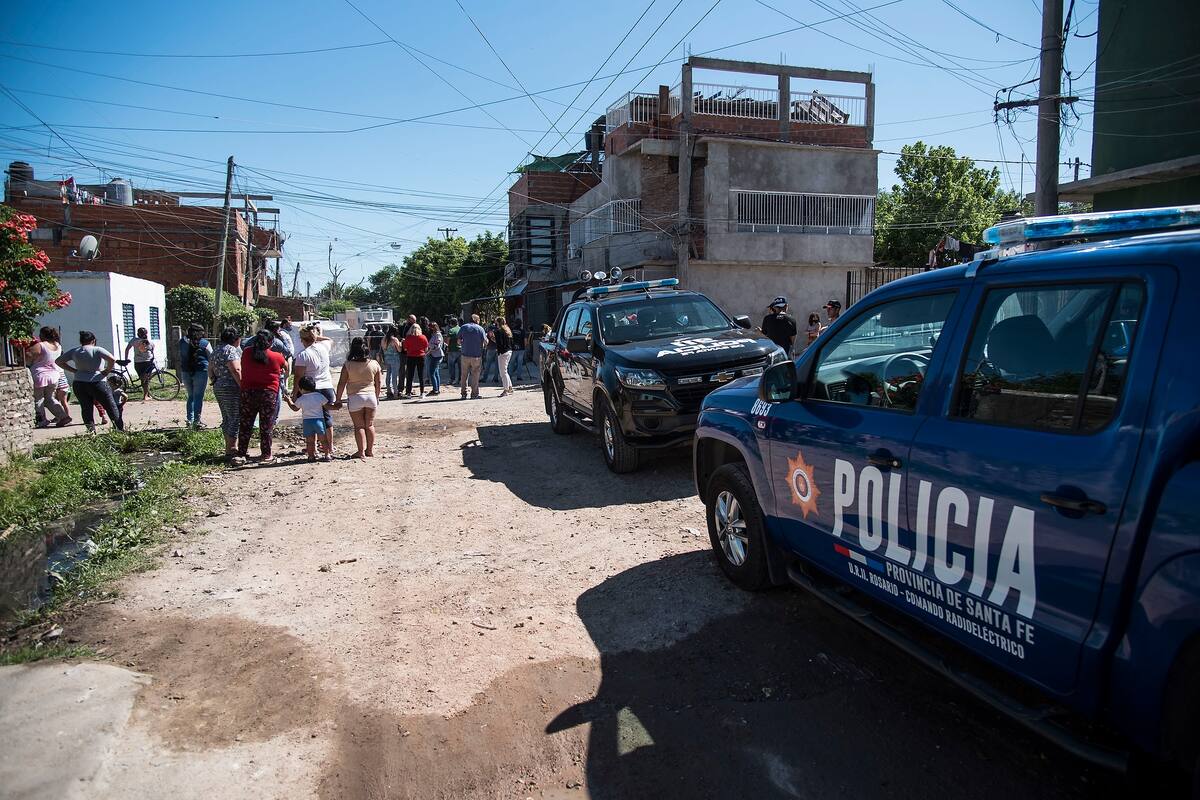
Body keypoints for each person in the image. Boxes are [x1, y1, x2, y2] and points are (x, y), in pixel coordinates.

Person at [56, 330, 123, 432]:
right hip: (98, 381)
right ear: (93, 340)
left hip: (79, 382)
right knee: (110, 406)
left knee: (86, 408)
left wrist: (74, 370)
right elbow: (112, 359)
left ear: (81, 341)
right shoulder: (97, 349)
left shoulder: (75, 351)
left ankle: (91, 431)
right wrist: (106, 371)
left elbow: (58, 361)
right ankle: (119, 428)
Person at [236, 330, 286, 465]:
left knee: (246, 424)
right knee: (266, 425)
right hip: (268, 394)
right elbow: (285, 367)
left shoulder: (246, 352)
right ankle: (266, 455)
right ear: (271, 342)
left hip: (248, 393)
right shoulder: (277, 356)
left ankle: (241, 453)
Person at [293, 324, 336, 458]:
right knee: (327, 418)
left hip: (311, 388)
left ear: (302, 340)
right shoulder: (324, 347)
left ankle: (314, 448)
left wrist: (295, 393)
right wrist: (317, 337)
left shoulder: (303, 355)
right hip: (327, 386)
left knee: (312, 416)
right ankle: (329, 446)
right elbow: (330, 340)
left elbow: (298, 376)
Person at [334, 337, 382, 458]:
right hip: (370, 396)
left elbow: (341, 383)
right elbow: (378, 382)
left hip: (355, 397)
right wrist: (377, 396)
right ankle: (369, 450)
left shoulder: (348, 365)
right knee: (369, 425)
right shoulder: (374, 364)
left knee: (359, 426)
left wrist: (338, 399)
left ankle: (360, 452)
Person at [209, 328, 243, 458]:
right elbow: (236, 370)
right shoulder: (230, 350)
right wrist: (243, 386)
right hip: (231, 387)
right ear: (236, 339)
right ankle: (232, 449)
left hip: (219, 386)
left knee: (227, 417)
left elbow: (210, 368)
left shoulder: (216, 349)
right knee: (235, 417)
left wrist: (214, 380)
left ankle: (228, 446)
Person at [26, 327, 70, 427]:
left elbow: (28, 355)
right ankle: (63, 416)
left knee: (39, 399)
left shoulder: (41, 345)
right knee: (50, 398)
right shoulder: (57, 346)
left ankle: (41, 420)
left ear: (42, 335)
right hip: (54, 375)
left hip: (40, 375)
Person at [287, 375, 334, 462]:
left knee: (309, 441)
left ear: (301, 389)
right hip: (319, 421)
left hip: (307, 422)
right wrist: (337, 406)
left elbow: (294, 408)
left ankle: (311, 456)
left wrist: (288, 401)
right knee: (323, 440)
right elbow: (328, 406)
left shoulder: (301, 398)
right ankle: (327, 455)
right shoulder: (319, 396)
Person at [179, 324, 212, 428]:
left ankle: (189, 419)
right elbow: (211, 357)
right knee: (198, 396)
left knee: (191, 396)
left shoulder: (182, 342)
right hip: (201, 371)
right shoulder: (205, 343)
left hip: (185, 371)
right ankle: (197, 421)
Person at [457, 314, 487, 400]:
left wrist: (464, 344)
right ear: (477, 320)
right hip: (476, 355)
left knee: (464, 375)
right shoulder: (480, 328)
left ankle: (463, 394)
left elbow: (458, 341)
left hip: (465, 354)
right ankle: (474, 394)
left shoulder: (463, 327)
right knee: (475, 375)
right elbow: (485, 342)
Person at [123, 326, 156, 401]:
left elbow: (127, 349)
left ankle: (147, 394)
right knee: (146, 379)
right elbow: (152, 350)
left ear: (138, 334)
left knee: (143, 378)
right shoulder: (149, 342)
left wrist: (126, 359)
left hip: (137, 362)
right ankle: (145, 396)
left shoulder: (134, 341)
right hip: (147, 362)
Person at [402, 323, 428, 397]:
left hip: (411, 357)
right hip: (421, 356)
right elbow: (426, 349)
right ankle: (422, 393)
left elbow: (405, 349)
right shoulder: (423, 337)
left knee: (410, 375)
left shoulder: (408, 338)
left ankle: (408, 393)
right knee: (421, 375)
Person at [381, 324, 404, 399]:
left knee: (388, 375)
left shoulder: (383, 339)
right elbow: (399, 350)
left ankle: (389, 391)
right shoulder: (394, 339)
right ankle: (396, 393)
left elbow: (383, 349)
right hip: (395, 358)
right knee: (394, 376)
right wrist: (401, 343)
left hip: (387, 358)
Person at [495, 318, 514, 396]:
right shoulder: (507, 330)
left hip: (503, 352)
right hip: (509, 351)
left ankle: (506, 390)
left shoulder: (499, 331)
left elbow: (499, 343)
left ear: (498, 323)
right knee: (505, 371)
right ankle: (510, 387)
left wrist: (493, 338)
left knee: (503, 372)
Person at [426, 322, 445, 396]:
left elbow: (437, 345)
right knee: (436, 373)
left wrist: (430, 348)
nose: (429, 329)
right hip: (435, 355)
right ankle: (436, 389)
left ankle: (435, 390)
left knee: (432, 372)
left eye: (430, 327)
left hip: (437, 355)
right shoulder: (434, 334)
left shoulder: (437, 335)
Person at [481, 319, 499, 384]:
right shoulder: (498, 329)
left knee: (488, 364)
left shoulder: (490, 330)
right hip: (497, 349)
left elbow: (488, 339)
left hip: (491, 348)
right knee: (497, 365)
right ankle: (496, 378)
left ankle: (484, 378)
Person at [445, 317, 462, 385]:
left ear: (451, 324)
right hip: (460, 350)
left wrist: (447, 347)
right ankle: (460, 379)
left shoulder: (451, 330)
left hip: (452, 350)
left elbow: (448, 340)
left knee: (451, 366)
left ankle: (452, 379)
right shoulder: (461, 329)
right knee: (460, 366)